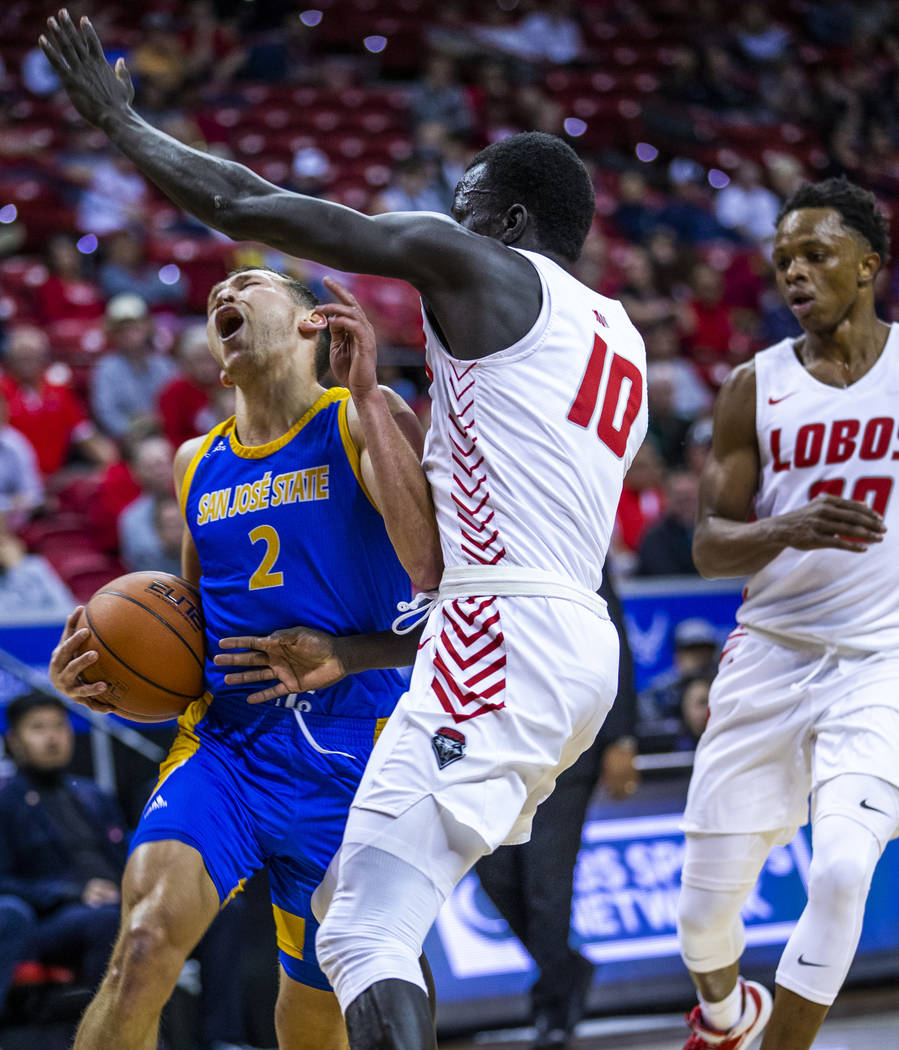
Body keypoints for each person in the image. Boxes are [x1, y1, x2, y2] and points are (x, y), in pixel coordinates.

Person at [41, 17, 647, 1050]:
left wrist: (119, 121)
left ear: (500, 219)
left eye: (459, 215)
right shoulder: (619, 335)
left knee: (362, 933)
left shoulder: (479, 280)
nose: (440, 234)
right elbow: (440, 559)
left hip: (489, 638)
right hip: (559, 637)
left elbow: (242, 201)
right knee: (361, 924)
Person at [47, 266, 439, 1050]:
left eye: (248, 283)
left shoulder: (363, 416)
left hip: (353, 754)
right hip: (229, 745)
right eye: (213, 296)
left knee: (318, 1005)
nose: (224, 295)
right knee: (145, 944)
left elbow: (444, 583)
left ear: (308, 323)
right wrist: (106, 681)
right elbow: (184, 633)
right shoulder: (197, 460)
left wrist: (347, 653)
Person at [674, 176, 899, 1050]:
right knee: (701, 919)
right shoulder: (750, 385)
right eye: (781, 262)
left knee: (843, 869)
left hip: (879, 658)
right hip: (768, 652)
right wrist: (788, 525)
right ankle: (726, 1020)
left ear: (869, 265)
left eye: (815, 255)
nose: (794, 274)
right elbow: (706, 547)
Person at [474, 575, 639, 1050]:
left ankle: (553, 1011)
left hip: (569, 744)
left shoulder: (569, 519)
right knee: (495, 873)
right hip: (498, 742)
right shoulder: (474, 527)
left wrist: (622, 737)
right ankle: (566, 970)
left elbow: (615, 640)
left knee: (547, 885)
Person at [0, 693, 123, 1017]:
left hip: (117, 901)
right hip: (52, 920)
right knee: (108, 920)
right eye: (38, 728)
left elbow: (124, 859)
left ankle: (220, 1038)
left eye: (59, 726)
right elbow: (4, 883)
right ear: (14, 741)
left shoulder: (94, 795)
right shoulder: (7, 802)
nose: (52, 737)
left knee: (221, 911)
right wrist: (75, 892)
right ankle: (111, 1039)